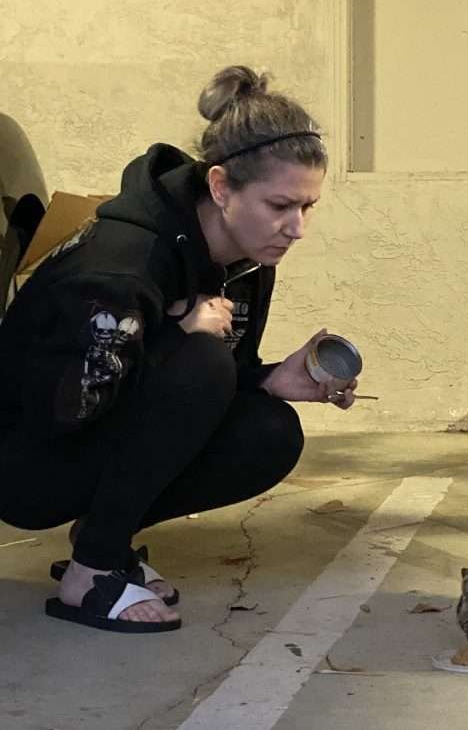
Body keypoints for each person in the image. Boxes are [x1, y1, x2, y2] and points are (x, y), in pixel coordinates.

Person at [0, 65, 357, 633]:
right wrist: (170, 336)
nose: (296, 228)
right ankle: (89, 574)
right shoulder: (124, 264)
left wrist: (268, 379)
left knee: (270, 431)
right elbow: (67, 407)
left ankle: (103, 538)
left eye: (307, 207)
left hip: (92, 434)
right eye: (280, 206)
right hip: (25, 462)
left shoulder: (245, 254)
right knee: (202, 360)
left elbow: (206, 384)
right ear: (220, 187)